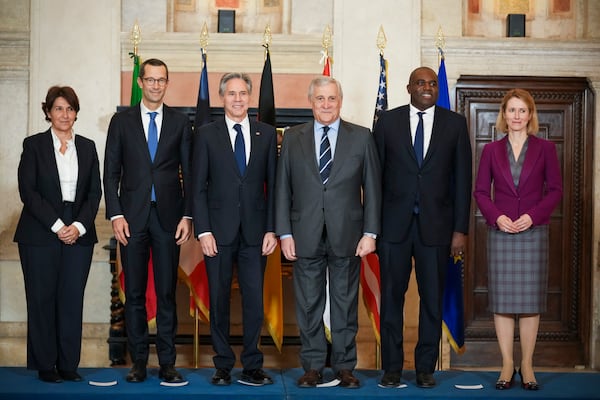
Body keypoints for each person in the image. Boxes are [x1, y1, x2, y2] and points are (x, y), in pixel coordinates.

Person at [275, 76, 381, 389]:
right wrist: (284, 233)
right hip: (303, 232)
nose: (326, 104)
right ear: (311, 102)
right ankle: (312, 366)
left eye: (331, 99)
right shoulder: (293, 137)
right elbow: (282, 187)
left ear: (340, 101)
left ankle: (345, 367)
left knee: (344, 303)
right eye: (320, 99)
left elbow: (373, 189)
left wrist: (370, 232)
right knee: (308, 303)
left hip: (348, 234)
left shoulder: (361, 137)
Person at [373, 66, 472, 388]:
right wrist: (372, 229)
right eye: (420, 83)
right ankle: (391, 368)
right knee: (392, 300)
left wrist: (460, 231)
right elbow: (374, 180)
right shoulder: (387, 122)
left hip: (437, 230)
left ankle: (425, 369)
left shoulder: (455, 124)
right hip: (393, 229)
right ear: (408, 87)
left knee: (432, 300)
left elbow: (462, 181)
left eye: (431, 83)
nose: (427, 87)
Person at [104, 58, 192, 383]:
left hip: (170, 220)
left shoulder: (181, 122)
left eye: (162, 80)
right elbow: (110, 172)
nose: (156, 85)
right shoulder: (121, 121)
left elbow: (191, 173)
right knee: (136, 294)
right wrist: (115, 214)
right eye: (150, 80)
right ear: (140, 83)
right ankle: (138, 362)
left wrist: (188, 215)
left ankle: (167, 363)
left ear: (167, 84)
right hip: (131, 219)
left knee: (168, 293)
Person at [192, 72, 278, 387]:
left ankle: (253, 364)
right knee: (219, 299)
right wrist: (203, 231)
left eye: (243, 93)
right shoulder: (205, 134)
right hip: (217, 232)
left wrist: (272, 229)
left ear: (250, 98)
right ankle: (223, 364)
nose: (238, 99)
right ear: (222, 98)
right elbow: (197, 187)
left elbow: (275, 185)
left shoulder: (266, 134)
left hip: (257, 234)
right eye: (231, 93)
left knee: (254, 299)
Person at [473, 88, 562, 391]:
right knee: (503, 301)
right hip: (501, 232)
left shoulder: (546, 148)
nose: (516, 116)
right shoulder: (491, 150)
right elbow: (481, 192)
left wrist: (533, 216)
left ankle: (527, 365)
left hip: (533, 232)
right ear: (504, 114)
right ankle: (507, 364)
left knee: (529, 302)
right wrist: (497, 217)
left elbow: (555, 191)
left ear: (530, 115)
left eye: (522, 111)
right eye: (511, 110)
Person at [14, 86, 101, 383]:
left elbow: (94, 193)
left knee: (71, 298)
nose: (65, 114)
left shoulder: (88, 147)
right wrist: (57, 226)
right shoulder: (34, 145)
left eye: (70, 108)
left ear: (76, 112)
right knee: (41, 298)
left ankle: (67, 364)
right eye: (59, 108)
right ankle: (45, 364)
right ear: (48, 112)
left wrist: (77, 227)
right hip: (40, 231)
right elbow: (29, 191)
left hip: (79, 230)